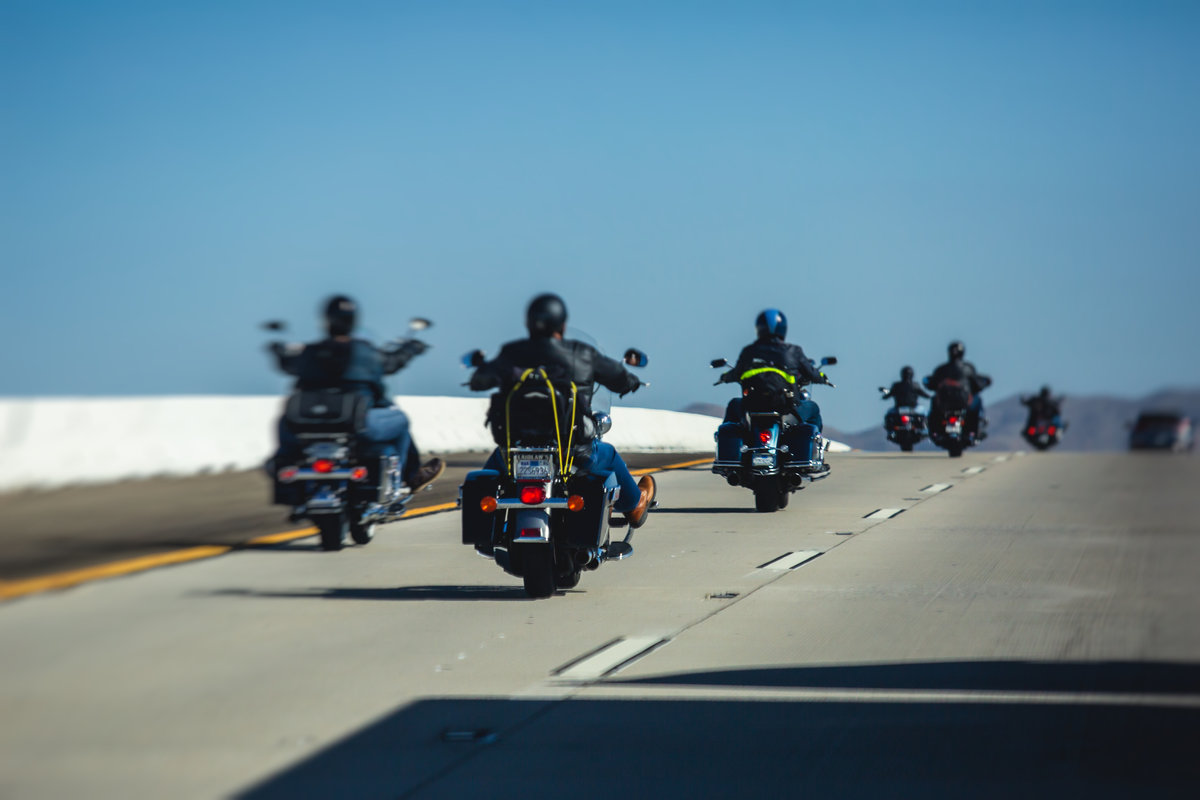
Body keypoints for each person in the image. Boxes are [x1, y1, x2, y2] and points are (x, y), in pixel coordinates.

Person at [468, 293, 656, 527]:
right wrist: (631, 382)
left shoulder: (512, 353)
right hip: (574, 451)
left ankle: (486, 523)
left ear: (528, 323)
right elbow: (619, 378)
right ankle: (635, 506)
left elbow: (480, 380)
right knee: (608, 454)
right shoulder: (582, 353)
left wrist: (480, 372)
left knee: (488, 476)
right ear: (562, 324)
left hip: (515, 452)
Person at [269, 295, 444, 491]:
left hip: (310, 423)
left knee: (284, 423)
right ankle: (409, 476)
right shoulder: (364, 352)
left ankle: (281, 463)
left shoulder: (310, 352)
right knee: (400, 419)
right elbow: (392, 362)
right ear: (353, 321)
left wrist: (278, 351)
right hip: (357, 423)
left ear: (325, 320)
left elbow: (287, 364)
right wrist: (411, 348)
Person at [718, 309, 829, 431]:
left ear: (759, 328)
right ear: (783, 328)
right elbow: (812, 373)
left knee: (733, 406)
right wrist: (823, 377)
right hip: (788, 408)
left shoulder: (749, 351)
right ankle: (816, 446)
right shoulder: (793, 351)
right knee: (813, 408)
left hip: (753, 406)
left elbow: (736, 373)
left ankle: (734, 444)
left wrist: (724, 377)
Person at [924, 340, 992, 438]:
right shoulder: (968, 368)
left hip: (945, 405)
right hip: (963, 404)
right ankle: (977, 427)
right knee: (978, 400)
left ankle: (934, 430)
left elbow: (932, 385)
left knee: (934, 401)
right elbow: (977, 385)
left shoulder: (941, 369)